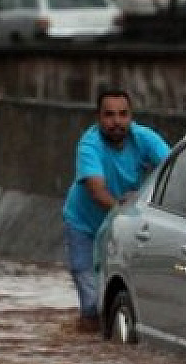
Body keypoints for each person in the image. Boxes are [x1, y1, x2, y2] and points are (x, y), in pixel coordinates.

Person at [62, 88, 170, 330]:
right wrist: (123, 210)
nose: (117, 122)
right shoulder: (89, 145)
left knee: (125, 295)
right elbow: (95, 189)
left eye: (123, 114)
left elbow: (174, 169)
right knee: (91, 304)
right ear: (98, 118)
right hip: (84, 225)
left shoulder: (145, 139)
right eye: (109, 115)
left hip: (122, 225)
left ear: (131, 116)